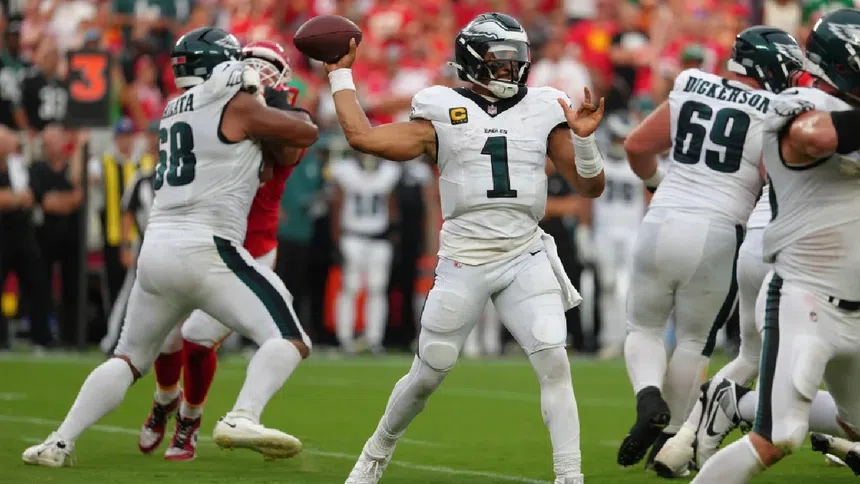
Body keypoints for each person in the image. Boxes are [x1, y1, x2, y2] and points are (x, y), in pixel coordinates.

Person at [327, 13, 606, 484]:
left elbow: (589, 187)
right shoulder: (440, 107)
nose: (511, 69)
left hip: (524, 252)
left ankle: (569, 476)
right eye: (500, 60)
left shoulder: (544, 106)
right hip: (465, 257)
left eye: (517, 60)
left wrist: (584, 140)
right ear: (473, 61)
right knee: (429, 373)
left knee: (554, 359)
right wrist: (340, 74)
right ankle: (374, 455)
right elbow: (363, 137)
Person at [21, 27, 318, 468]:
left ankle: (58, 442)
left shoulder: (173, 107)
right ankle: (242, 415)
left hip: (157, 249)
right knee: (290, 338)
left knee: (127, 359)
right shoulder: (237, 105)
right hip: (208, 247)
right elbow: (305, 131)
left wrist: (252, 92)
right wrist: (268, 96)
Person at [616, 25, 801, 470]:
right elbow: (774, 181)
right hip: (720, 230)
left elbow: (637, 145)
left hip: (661, 219)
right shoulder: (776, 109)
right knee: (694, 341)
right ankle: (671, 442)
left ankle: (648, 397)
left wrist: (656, 182)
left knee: (643, 327)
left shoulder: (692, 82)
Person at [692, 9, 860, 482]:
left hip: (854, 306)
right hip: (805, 298)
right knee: (778, 437)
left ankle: (737, 401)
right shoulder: (799, 101)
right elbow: (816, 136)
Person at [137, 39, 309, 462]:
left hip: (249, 250)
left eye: (269, 67)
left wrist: (264, 104)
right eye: (253, 64)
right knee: (166, 336)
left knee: (197, 338)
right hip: (199, 239)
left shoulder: (279, 114)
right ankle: (164, 398)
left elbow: (291, 148)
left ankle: (190, 419)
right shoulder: (209, 107)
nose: (260, 72)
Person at [330, 153, 400, 355]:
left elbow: (392, 205)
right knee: (350, 288)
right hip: (352, 236)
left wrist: (394, 234)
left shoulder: (389, 172)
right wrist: (336, 239)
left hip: (379, 238)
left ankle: (374, 339)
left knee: (377, 288)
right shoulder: (345, 171)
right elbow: (337, 205)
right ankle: (345, 338)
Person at [590, 113, 646, 359]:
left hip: (633, 230)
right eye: (617, 138)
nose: (620, 143)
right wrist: (584, 230)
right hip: (604, 230)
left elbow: (649, 198)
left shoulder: (640, 164)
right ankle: (610, 338)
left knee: (631, 288)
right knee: (608, 286)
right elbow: (586, 199)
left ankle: (630, 339)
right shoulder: (598, 162)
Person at [30, 125, 86, 348]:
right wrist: (69, 200)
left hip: (71, 239)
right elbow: (46, 202)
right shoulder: (37, 169)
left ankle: (71, 336)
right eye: (48, 141)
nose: (52, 145)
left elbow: (79, 195)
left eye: (56, 140)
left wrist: (63, 200)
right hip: (43, 239)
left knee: (72, 288)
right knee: (41, 287)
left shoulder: (72, 168)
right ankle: (42, 336)